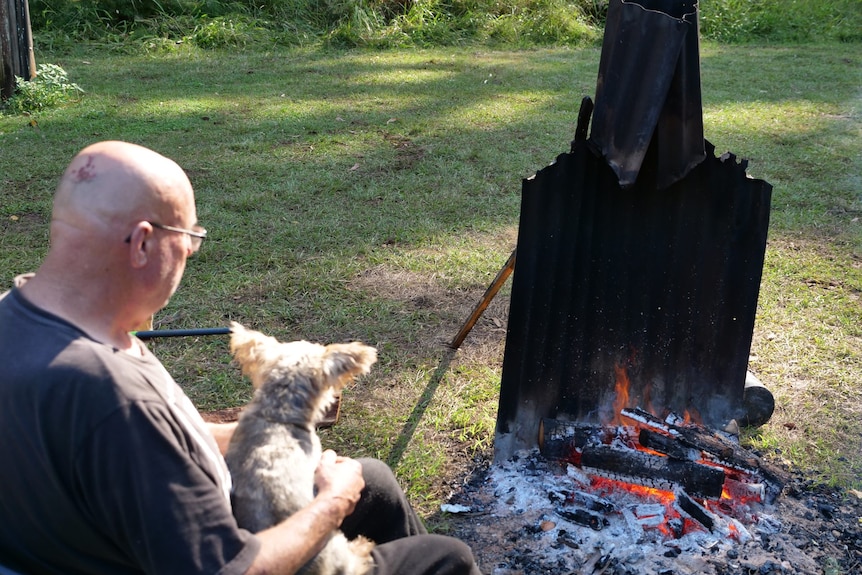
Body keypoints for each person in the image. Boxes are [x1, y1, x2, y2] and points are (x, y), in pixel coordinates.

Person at [0, 141, 481, 575]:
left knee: (372, 480)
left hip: (90, 534)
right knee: (445, 557)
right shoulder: (115, 400)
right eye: (187, 236)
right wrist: (334, 502)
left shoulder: (19, 317)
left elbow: (144, 442)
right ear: (143, 243)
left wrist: (267, 435)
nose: (190, 249)